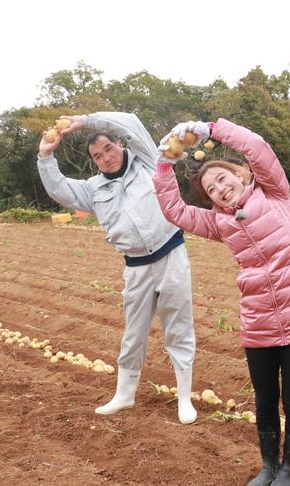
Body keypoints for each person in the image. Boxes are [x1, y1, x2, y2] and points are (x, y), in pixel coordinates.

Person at [153, 118, 290, 486]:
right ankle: (268, 465)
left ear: (239, 175)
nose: (220, 189)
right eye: (211, 189)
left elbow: (257, 148)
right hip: (259, 322)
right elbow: (175, 211)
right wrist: (164, 165)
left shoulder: (274, 193)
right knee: (265, 399)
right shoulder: (220, 223)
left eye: (223, 179)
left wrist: (212, 128)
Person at [36, 112, 197, 425]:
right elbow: (59, 189)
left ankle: (184, 398)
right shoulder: (94, 190)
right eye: (98, 155)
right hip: (136, 266)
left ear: (119, 145)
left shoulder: (150, 161)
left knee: (178, 327)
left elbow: (132, 124)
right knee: (133, 332)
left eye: (109, 148)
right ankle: (124, 394)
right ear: (94, 161)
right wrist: (45, 154)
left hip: (171, 254)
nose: (106, 157)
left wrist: (88, 120)